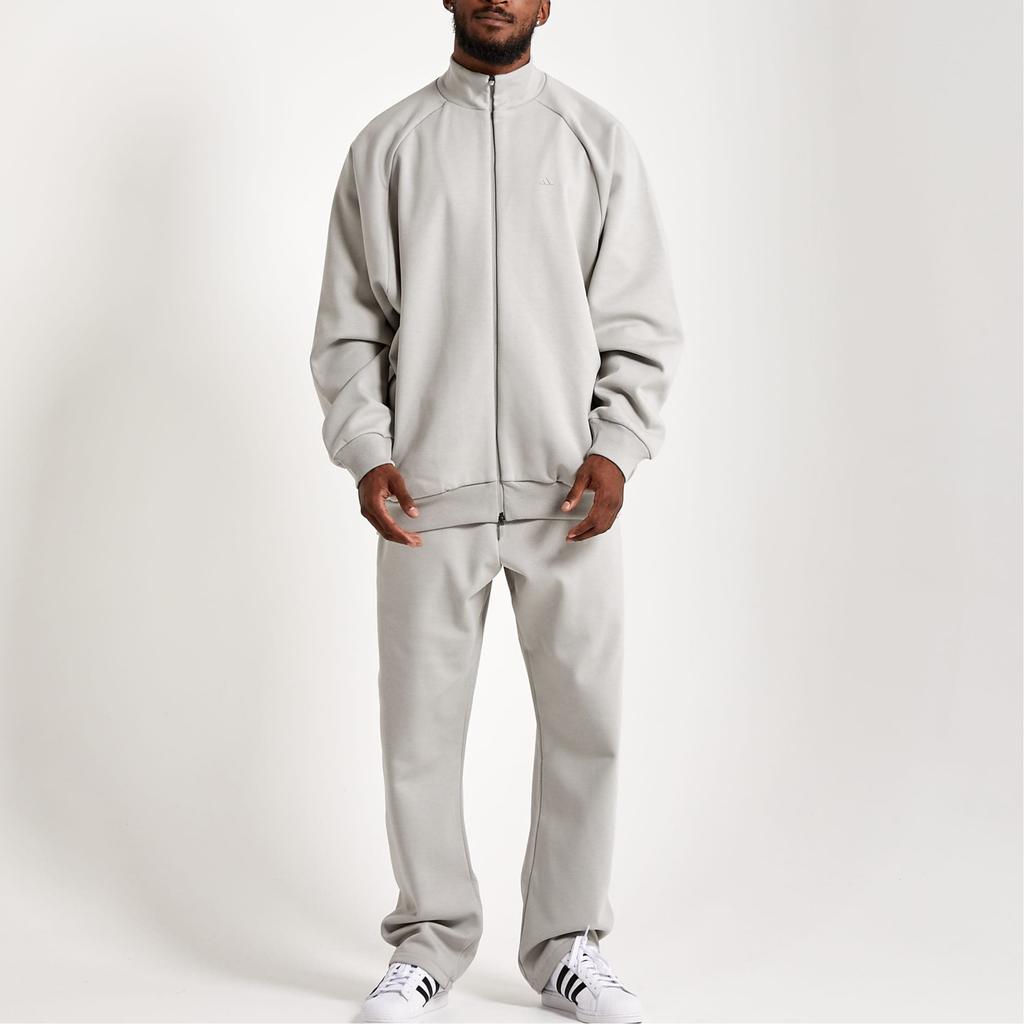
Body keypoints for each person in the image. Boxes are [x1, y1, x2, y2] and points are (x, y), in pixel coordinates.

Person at [310, 2, 684, 1020]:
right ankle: (429, 941)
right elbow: (348, 328)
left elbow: (640, 319)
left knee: (585, 722)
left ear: (546, 2)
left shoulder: (594, 141)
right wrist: (368, 452)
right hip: (425, 496)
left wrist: (617, 444)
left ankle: (567, 945)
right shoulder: (388, 146)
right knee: (419, 734)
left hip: (571, 496)